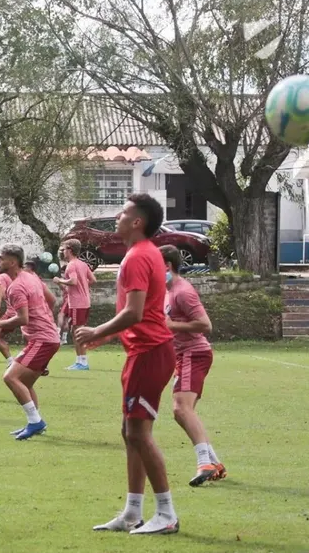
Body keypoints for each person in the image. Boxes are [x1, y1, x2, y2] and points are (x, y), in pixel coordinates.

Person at [76, 194, 179, 535]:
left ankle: (166, 513)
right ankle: (133, 511)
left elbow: (134, 313)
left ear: (137, 222)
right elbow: (141, 312)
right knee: (129, 432)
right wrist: (107, 336)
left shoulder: (138, 256)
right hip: (143, 351)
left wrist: (97, 329)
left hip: (150, 353)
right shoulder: (143, 253)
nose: (117, 218)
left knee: (138, 433)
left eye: (123, 214)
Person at [158, 245, 224, 486]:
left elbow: (205, 325)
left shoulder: (182, 291)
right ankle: (213, 463)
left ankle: (204, 463)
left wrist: (172, 326)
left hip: (193, 354)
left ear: (166, 265)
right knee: (185, 413)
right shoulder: (167, 290)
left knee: (180, 409)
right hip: (184, 355)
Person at [0, 244, 61, 439]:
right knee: (26, 382)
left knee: (10, 377)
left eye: (1, 258)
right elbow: (53, 300)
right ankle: (35, 422)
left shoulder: (15, 287)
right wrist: (44, 321)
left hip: (42, 339)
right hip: (47, 337)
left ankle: (36, 422)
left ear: (12, 262)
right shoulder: (32, 277)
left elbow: (23, 318)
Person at [54, 239, 96, 370]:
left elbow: (73, 281)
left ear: (70, 250)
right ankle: (80, 361)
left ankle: (82, 362)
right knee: (75, 331)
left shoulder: (71, 265)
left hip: (78, 303)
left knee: (77, 332)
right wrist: (82, 288)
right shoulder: (83, 264)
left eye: (64, 249)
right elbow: (93, 280)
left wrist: (59, 279)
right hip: (83, 302)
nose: (63, 252)